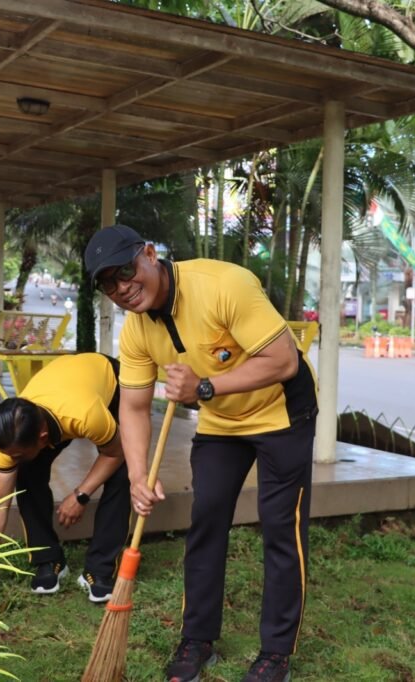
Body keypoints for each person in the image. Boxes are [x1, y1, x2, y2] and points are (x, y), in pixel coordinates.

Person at [84, 225, 317, 682]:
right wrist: (137, 476)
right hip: (221, 422)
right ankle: (197, 639)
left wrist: (204, 387)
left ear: (149, 254)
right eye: (108, 284)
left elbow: (284, 360)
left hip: (282, 413)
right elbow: (133, 407)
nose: (122, 288)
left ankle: (276, 653)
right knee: (206, 521)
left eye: (125, 271)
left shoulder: (223, 285)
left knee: (280, 528)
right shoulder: (136, 332)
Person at [0, 353, 130, 603]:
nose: (11, 459)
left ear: (42, 439)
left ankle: (100, 569)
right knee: (26, 472)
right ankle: (49, 560)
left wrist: (81, 495)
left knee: (121, 472)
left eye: (16, 454)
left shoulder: (86, 415)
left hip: (108, 380)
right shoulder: (7, 442)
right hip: (62, 381)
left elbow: (116, 452)